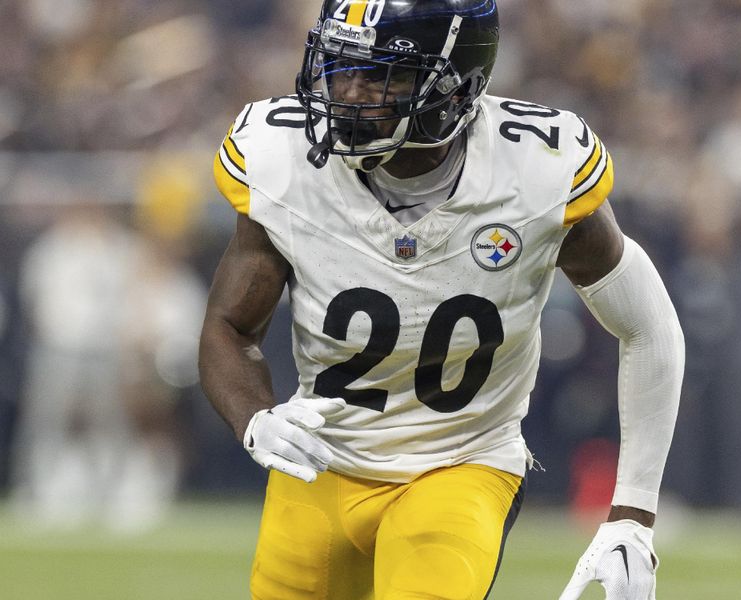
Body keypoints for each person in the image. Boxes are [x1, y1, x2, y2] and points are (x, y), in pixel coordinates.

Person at [200, 1, 684, 598]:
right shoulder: (282, 158)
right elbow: (228, 325)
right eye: (340, 64)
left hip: (460, 464)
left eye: (380, 75)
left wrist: (633, 517)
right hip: (321, 462)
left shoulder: (536, 170)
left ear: (454, 86)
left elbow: (649, 327)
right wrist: (255, 419)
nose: (347, 90)